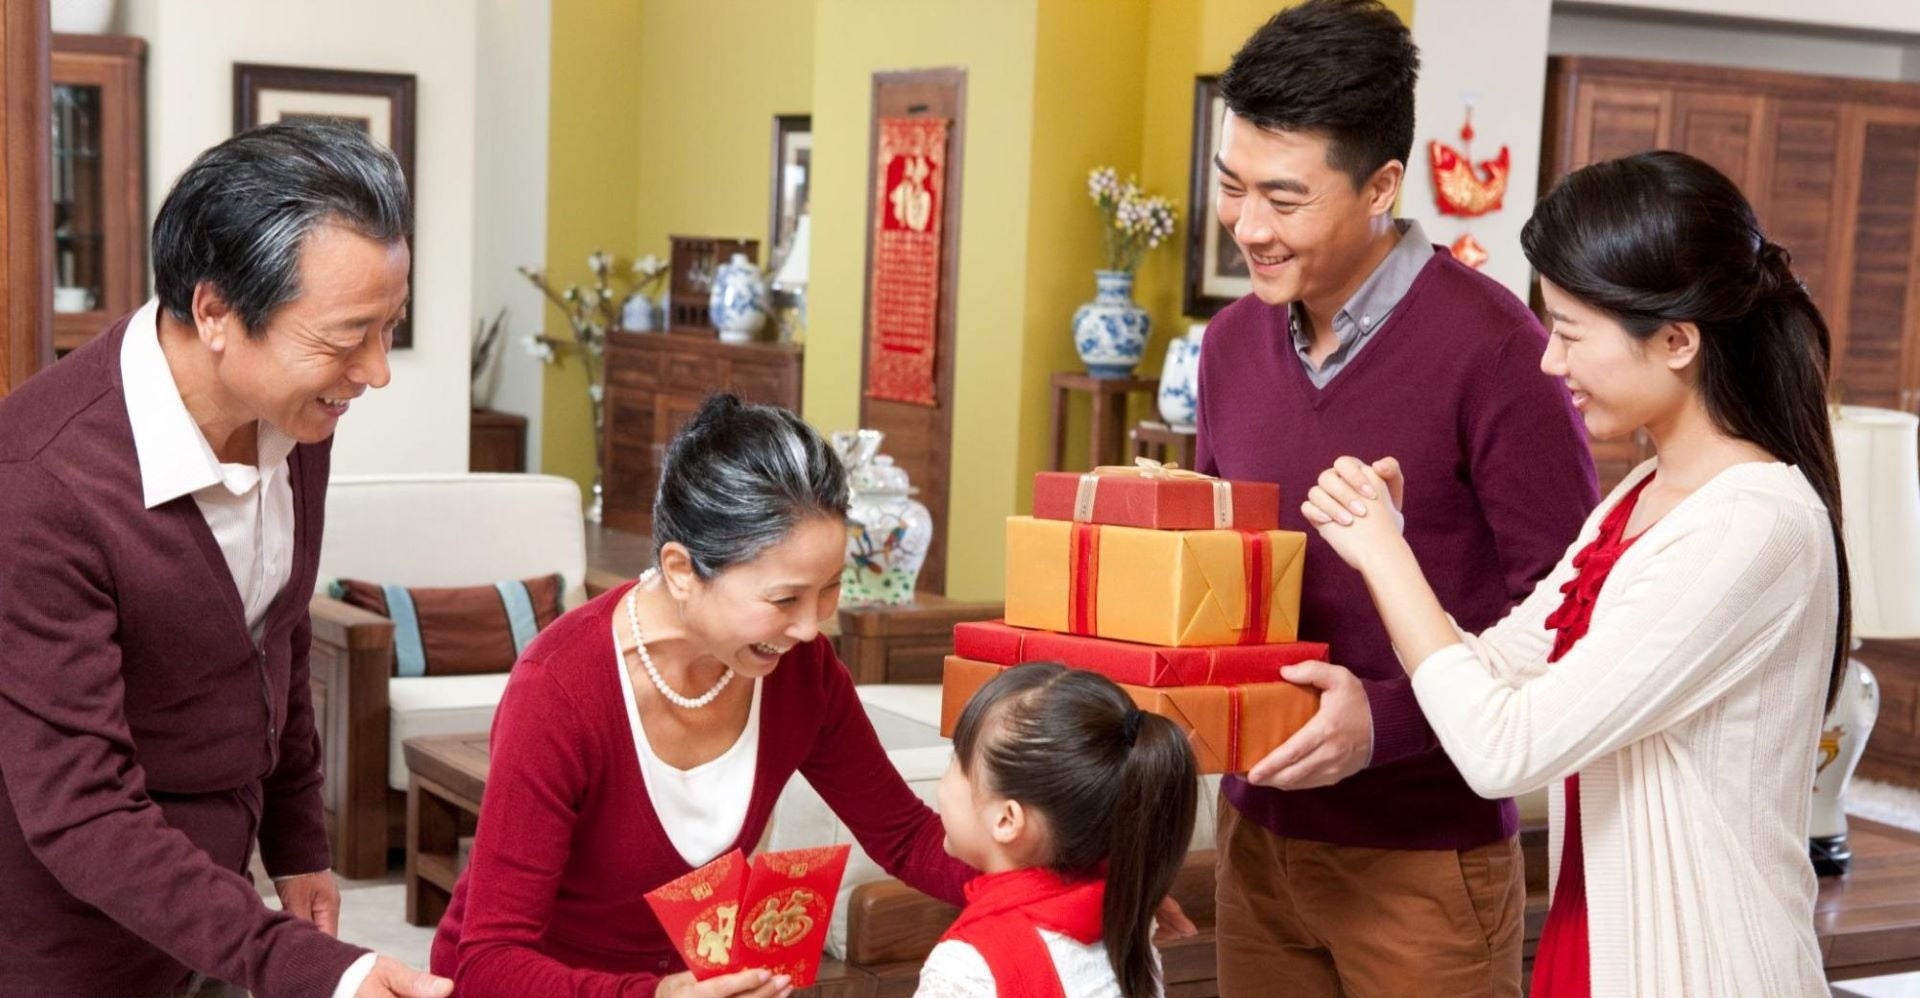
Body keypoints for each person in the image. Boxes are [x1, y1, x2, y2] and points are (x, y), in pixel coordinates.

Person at [1301, 150, 1847, 997]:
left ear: (1675, 341)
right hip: (1594, 943)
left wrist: (1385, 554)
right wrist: (1393, 550)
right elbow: (1498, 669)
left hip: (1701, 970)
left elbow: (1502, 750)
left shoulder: (1756, 526)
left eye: (1569, 333)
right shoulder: (1639, 498)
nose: (1551, 365)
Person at [1192, 1, 1598, 993]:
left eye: (1285, 199)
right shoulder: (1229, 346)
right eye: (1232, 186)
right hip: (1251, 839)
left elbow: (1571, 621)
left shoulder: (1502, 352)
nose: (1250, 226)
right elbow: (1214, 576)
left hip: (1426, 859)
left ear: (1382, 185)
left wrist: (1386, 724)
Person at [0, 120, 446, 997]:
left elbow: (272, 643)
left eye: (388, 327)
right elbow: (82, 811)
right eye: (347, 335)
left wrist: (297, 846)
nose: (376, 371)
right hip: (65, 940)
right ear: (214, 311)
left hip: (210, 908)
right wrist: (308, 968)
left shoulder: (298, 415)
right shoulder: (39, 484)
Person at [431, 394, 977, 997]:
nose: (809, 627)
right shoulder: (560, 691)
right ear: (683, 570)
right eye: (784, 599)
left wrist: (1052, 888)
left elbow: (906, 836)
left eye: (829, 589)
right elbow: (490, 961)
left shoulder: (801, 672)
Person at [915, 663, 1199, 998]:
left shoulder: (965, 968)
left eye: (957, 761)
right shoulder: (1129, 923)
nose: (944, 780)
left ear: (1006, 819)